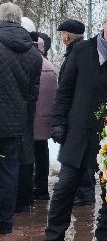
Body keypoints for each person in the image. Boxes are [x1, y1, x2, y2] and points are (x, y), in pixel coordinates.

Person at [35, 2, 107, 241]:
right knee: (64, 189)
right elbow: (64, 90)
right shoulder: (82, 50)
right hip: (78, 133)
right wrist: (58, 122)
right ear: (104, 23)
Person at [0, 3, 42, 234]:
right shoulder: (33, 54)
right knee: (9, 170)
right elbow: (32, 94)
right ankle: (5, 222)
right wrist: (26, 121)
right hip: (16, 124)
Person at [57, 18, 94, 204]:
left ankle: (85, 192)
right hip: (76, 110)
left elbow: (68, 85)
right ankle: (83, 191)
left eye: (62, 34)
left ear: (67, 35)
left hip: (77, 111)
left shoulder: (77, 53)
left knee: (80, 153)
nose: (62, 37)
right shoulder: (76, 52)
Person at [32, 34, 57, 201]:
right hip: (45, 120)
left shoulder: (30, 63)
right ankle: (42, 190)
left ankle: (31, 188)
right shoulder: (50, 67)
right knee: (42, 153)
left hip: (30, 119)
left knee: (28, 155)